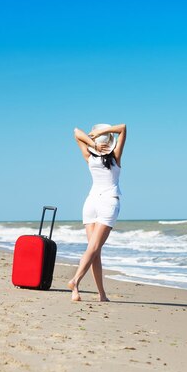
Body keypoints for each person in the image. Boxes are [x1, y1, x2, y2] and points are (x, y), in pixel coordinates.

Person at [68, 123, 127, 302]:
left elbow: (76, 132)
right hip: (108, 202)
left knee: (95, 251)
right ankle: (75, 281)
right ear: (110, 142)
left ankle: (101, 294)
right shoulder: (115, 157)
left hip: (91, 202)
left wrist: (92, 142)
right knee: (93, 248)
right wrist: (104, 132)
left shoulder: (89, 157)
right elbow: (123, 128)